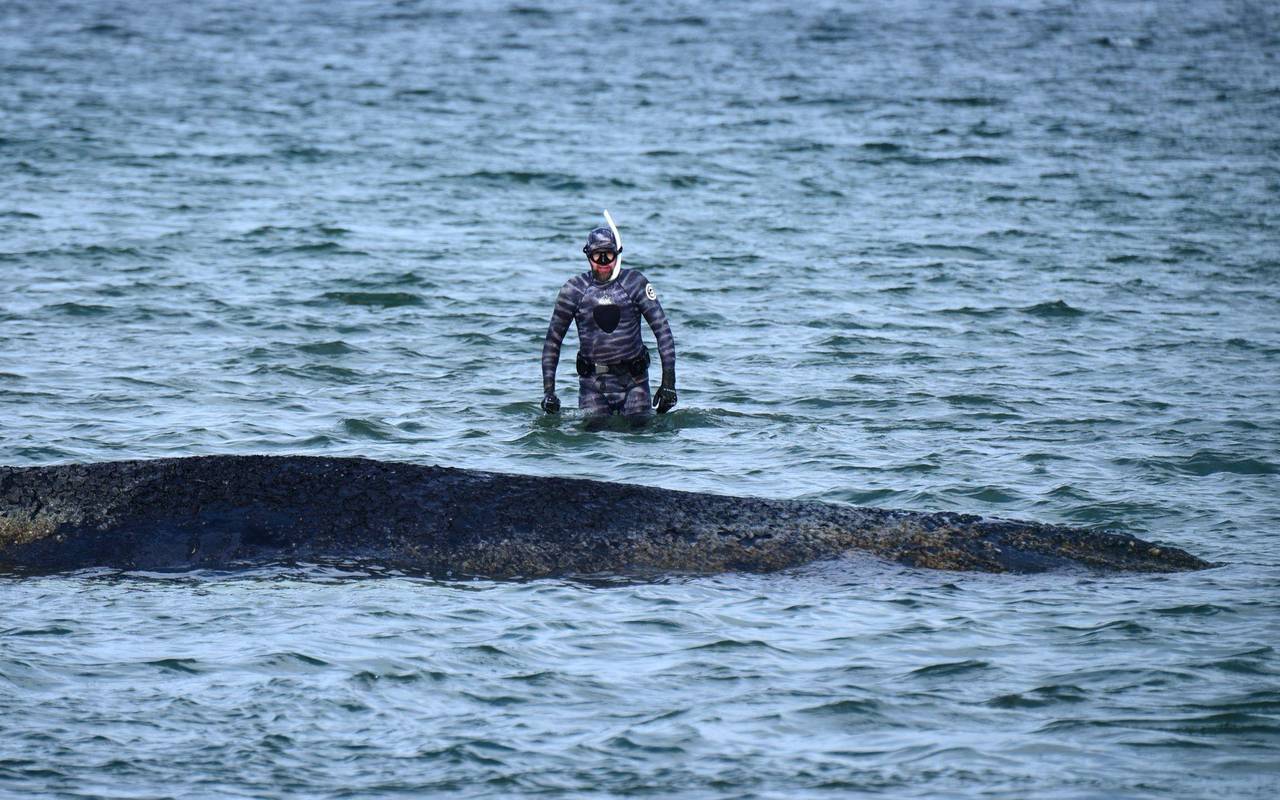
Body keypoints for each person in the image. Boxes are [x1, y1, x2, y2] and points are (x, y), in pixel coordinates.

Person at [540, 214, 676, 421]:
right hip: (592, 385)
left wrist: (668, 385)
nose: (603, 262)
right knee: (593, 442)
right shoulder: (574, 290)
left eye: (608, 255)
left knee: (640, 436)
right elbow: (553, 341)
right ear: (588, 256)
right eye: (597, 256)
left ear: (618, 254)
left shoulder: (635, 283)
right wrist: (549, 392)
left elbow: (663, 332)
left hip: (634, 382)